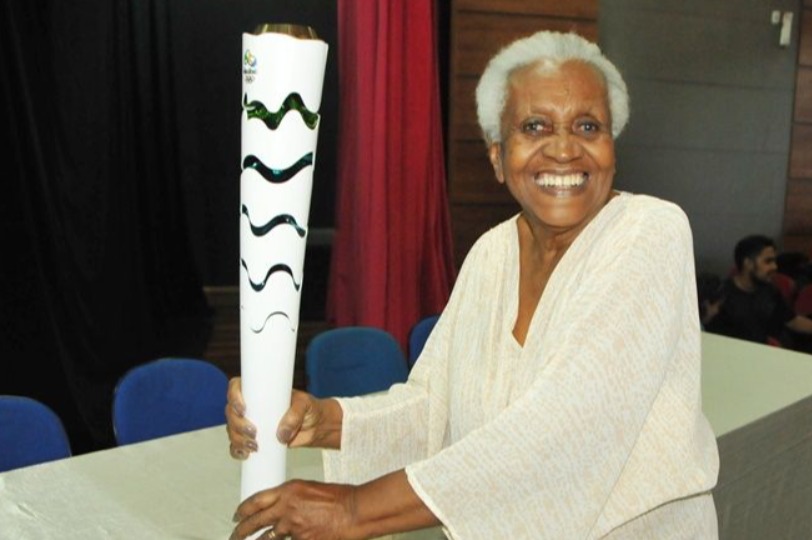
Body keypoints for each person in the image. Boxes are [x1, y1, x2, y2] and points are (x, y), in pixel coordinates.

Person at [226, 31, 720, 539]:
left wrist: (353, 509)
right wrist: (325, 421)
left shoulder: (649, 231)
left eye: (588, 126)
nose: (564, 149)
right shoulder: (491, 253)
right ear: (498, 158)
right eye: (534, 126)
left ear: (612, 148)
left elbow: (566, 428)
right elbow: (433, 407)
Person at [702, 234, 812, 347]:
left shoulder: (770, 291)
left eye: (774, 261)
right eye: (768, 261)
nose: (774, 267)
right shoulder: (720, 294)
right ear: (748, 263)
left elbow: (792, 321)